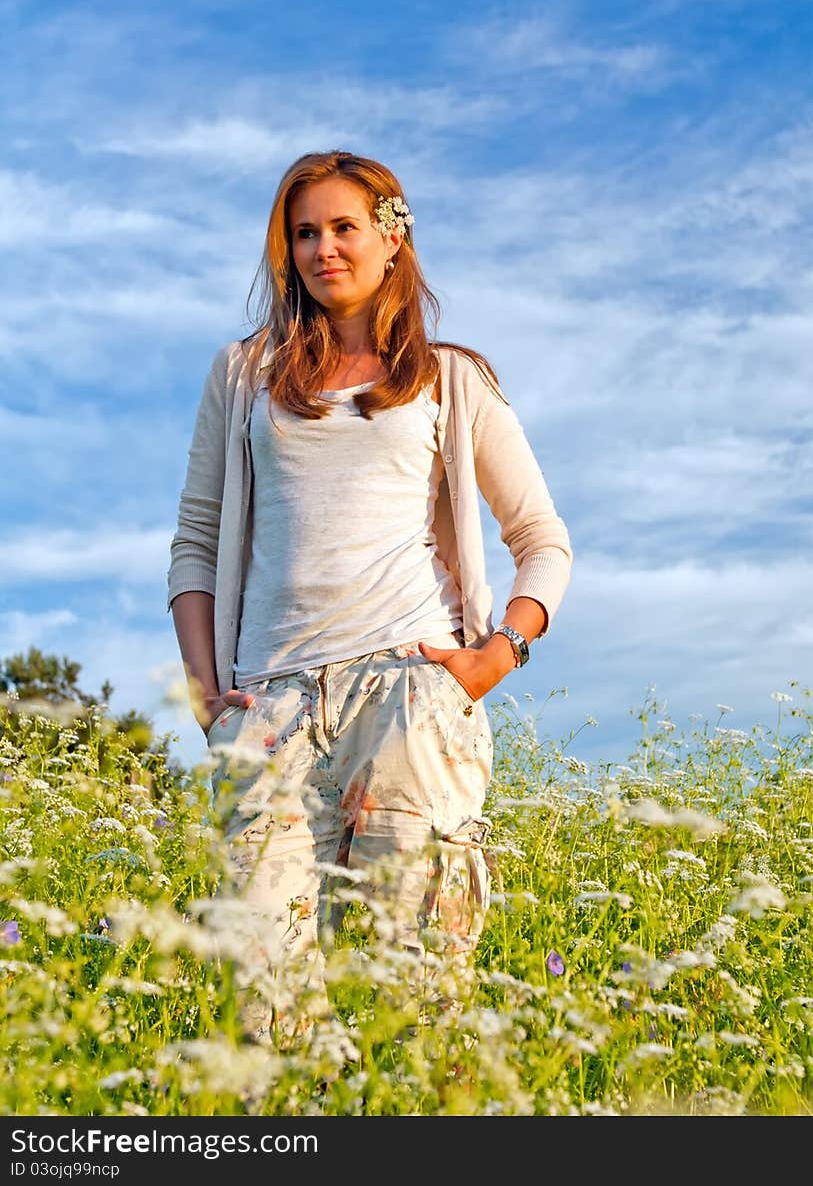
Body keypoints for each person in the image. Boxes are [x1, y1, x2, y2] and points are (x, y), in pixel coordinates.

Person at [166, 149, 572, 1045]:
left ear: (393, 238)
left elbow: (542, 541)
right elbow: (195, 544)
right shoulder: (243, 375)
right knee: (266, 1012)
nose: (323, 249)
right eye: (303, 232)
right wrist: (207, 696)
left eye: (343, 227)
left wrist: (493, 655)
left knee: (412, 999)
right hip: (268, 705)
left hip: (408, 693)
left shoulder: (450, 377)